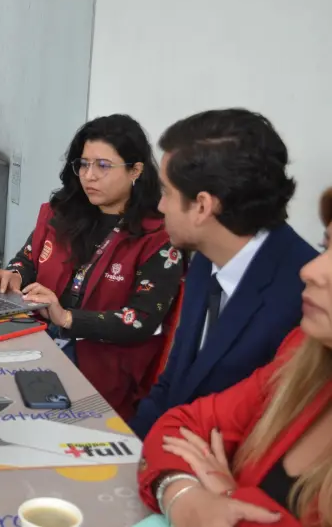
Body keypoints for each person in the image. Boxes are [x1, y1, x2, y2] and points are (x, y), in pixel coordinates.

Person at [137, 187, 332, 527]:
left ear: (203, 205)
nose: (312, 270)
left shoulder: (288, 308)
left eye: (167, 191)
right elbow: (179, 425)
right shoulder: (305, 353)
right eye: (326, 247)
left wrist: (232, 498)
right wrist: (186, 497)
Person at [0, 114, 185, 419]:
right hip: (37, 338)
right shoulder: (62, 212)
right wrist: (13, 276)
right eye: (84, 164)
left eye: (103, 166)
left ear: (136, 170)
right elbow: (27, 259)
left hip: (100, 365)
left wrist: (66, 317)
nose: (89, 176)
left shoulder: (158, 236)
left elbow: (140, 319)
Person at [129, 109, 317, 439]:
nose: (160, 206)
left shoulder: (304, 297)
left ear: (202, 206)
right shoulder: (206, 256)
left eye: (167, 192)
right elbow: (175, 383)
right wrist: (125, 452)